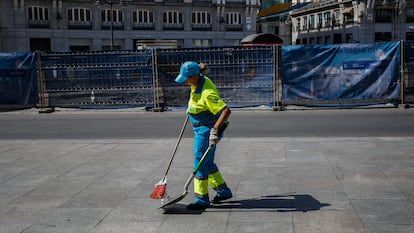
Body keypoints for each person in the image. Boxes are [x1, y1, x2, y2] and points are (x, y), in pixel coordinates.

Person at [175, 61, 233, 210]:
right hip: (200, 128)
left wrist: (214, 130)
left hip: (206, 131)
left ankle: (201, 199)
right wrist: (191, 109)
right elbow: (196, 98)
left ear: (194, 76)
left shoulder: (207, 92)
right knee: (207, 162)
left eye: (187, 79)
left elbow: (226, 111)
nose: (186, 82)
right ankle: (223, 191)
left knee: (199, 162)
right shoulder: (198, 82)